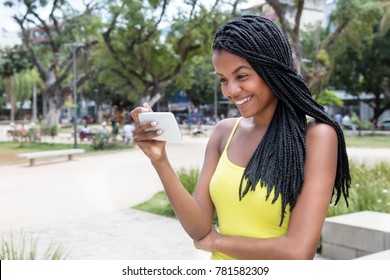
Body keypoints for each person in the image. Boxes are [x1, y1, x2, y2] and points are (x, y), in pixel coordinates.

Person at [130, 15, 351, 260]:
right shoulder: (224, 132)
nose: (231, 91)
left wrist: (216, 241)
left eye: (242, 76)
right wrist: (159, 160)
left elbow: (298, 251)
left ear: (271, 70)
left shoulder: (317, 136)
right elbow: (198, 228)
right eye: (223, 79)